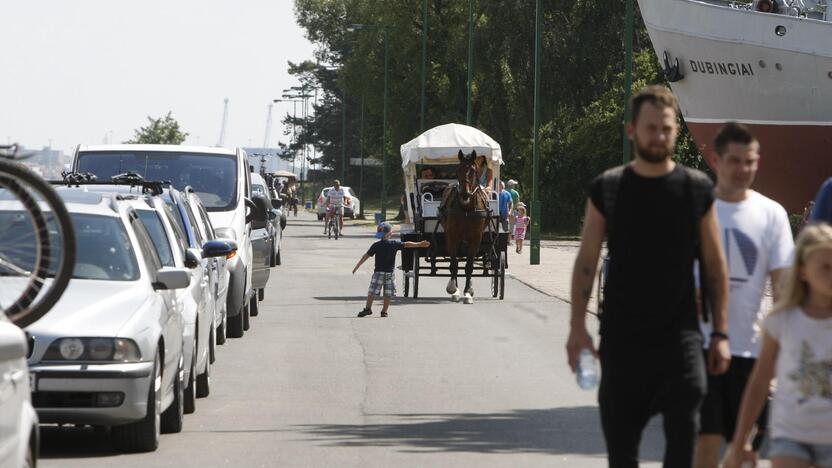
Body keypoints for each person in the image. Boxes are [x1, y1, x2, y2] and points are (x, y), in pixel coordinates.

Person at [567, 85, 731, 468]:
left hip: (682, 339)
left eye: (667, 128)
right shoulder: (608, 188)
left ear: (676, 130)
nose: (659, 136)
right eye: (651, 128)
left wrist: (720, 333)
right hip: (623, 341)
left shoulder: (696, 189)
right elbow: (587, 261)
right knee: (622, 454)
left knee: (681, 448)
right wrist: (577, 328)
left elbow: (715, 266)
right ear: (631, 131)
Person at [693, 123, 795, 468]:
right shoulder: (694, 208)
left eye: (749, 162)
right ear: (715, 159)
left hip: (751, 350)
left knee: (744, 446)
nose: (743, 170)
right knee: (706, 438)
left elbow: (784, 287)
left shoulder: (772, 214)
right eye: (734, 161)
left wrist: (784, 344)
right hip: (699, 345)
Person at [726, 223, 832, 468]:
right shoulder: (782, 320)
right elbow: (760, 380)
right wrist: (740, 440)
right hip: (790, 435)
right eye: (824, 267)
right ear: (803, 271)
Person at [352, 222, 430, 317]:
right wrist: (419, 244)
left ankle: (368, 309)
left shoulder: (376, 245)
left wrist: (357, 266)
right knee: (388, 294)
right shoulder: (394, 244)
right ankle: (384, 311)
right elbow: (407, 244)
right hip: (389, 273)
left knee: (372, 292)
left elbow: (366, 256)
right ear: (390, 233)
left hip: (378, 273)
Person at [507, 179, 520, 245]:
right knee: (512, 225)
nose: (514, 186)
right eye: (514, 184)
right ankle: (508, 241)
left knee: (506, 225)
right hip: (514, 211)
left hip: (506, 211)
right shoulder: (516, 193)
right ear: (511, 185)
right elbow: (518, 203)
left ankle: (505, 240)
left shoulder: (504, 191)